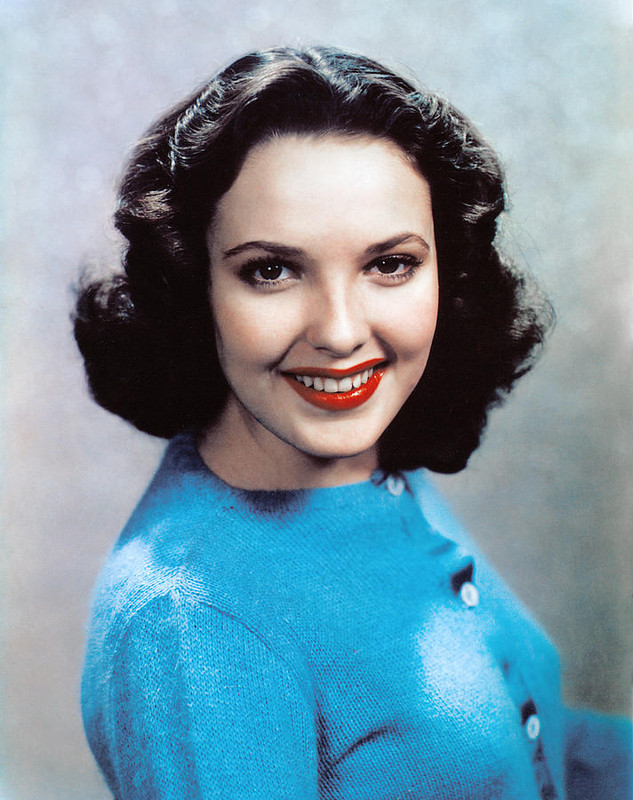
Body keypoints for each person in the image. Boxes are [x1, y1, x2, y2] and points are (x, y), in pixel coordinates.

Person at [75, 46, 631, 799]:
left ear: (446, 271)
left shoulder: (365, 464)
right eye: (271, 270)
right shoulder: (191, 624)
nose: (339, 333)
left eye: (389, 264)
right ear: (193, 287)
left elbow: (517, 745)